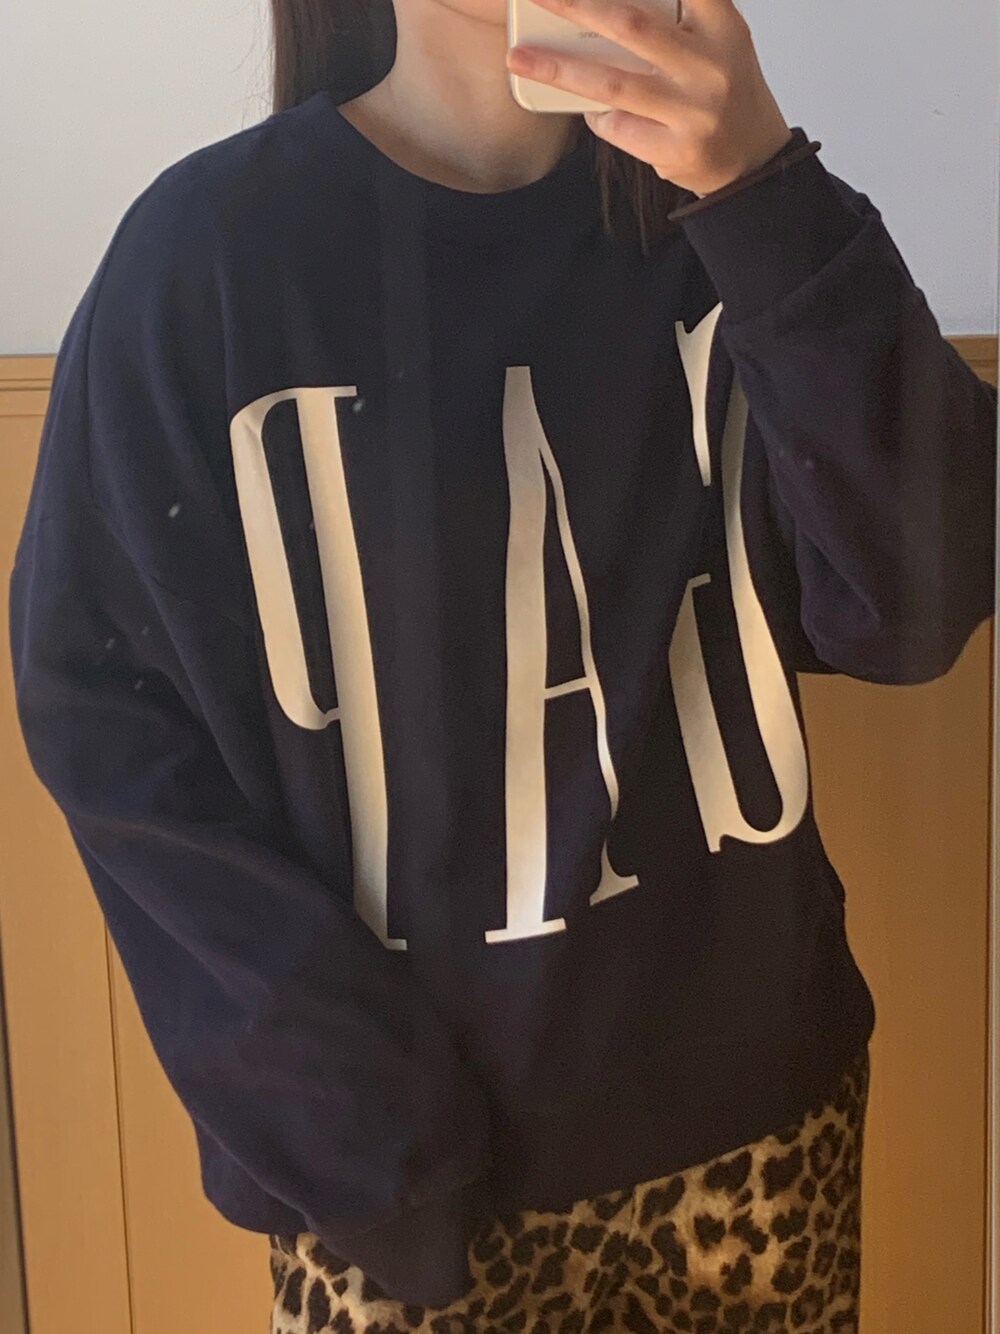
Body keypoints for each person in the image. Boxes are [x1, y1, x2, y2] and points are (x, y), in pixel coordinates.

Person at [9, 0, 996, 1327]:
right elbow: (113, 726)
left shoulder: (730, 222)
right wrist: (360, 1142)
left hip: (769, 1145)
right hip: (408, 1204)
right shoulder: (209, 261)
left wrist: (766, 184)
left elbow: (914, 607)